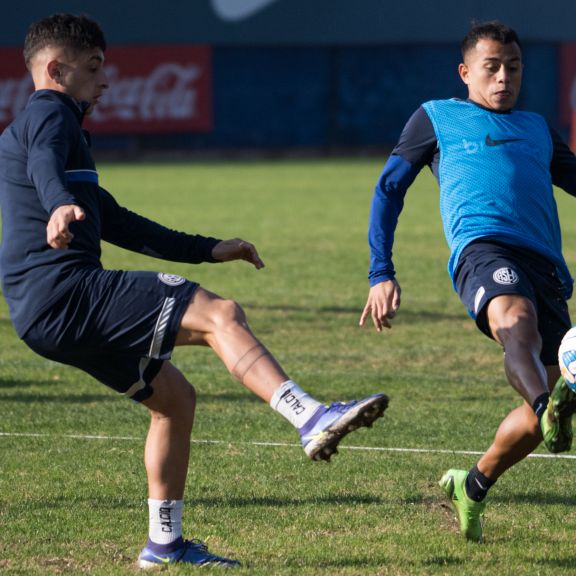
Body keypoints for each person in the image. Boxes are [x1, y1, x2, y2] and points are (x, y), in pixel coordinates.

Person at [0, 14, 389, 569]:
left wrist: (209, 248)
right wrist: (59, 201)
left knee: (175, 401)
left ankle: (164, 544)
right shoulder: (48, 114)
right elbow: (44, 166)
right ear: (56, 70)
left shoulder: (62, 139)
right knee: (220, 313)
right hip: (65, 293)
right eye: (93, 68)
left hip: (44, 316)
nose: (104, 82)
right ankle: (311, 417)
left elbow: (124, 225)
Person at [360, 20, 576, 543]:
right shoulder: (438, 117)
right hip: (484, 251)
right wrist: (380, 271)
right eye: (492, 67)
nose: (504, 77)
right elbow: (388, 189)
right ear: (466, 73)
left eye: (514, 67)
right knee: (515, 322)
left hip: (545, 267)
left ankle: (473, 484)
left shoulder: (536, 128)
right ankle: (550, 406)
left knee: (535, 410)